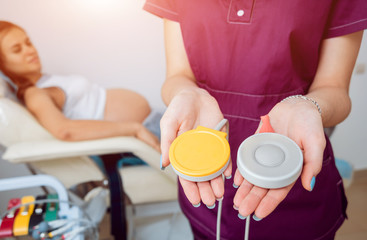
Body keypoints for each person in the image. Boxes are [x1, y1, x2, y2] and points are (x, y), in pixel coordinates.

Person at [144, 1, 367, 239]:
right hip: (203, 178)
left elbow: (334, 90)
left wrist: (309, 106)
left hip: (294, 182)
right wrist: (185, 93)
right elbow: (178, 77)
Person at [0, 20, 160, 152]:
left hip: (151, 123)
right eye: (17, 50)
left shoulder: (46, 81)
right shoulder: (34, 94)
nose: (30, 50)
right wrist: (134, 128)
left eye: (28, 43)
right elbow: (64, 130)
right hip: (145, 135)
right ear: (3, 64)